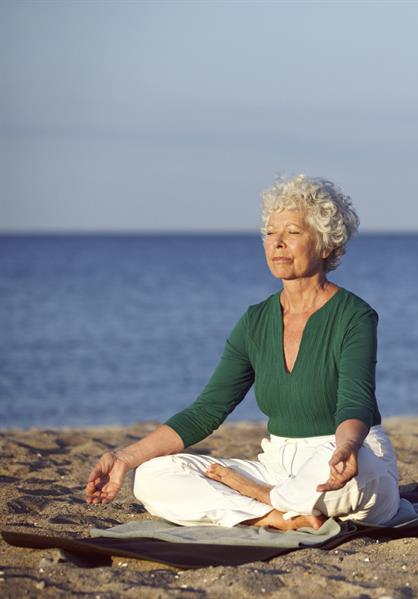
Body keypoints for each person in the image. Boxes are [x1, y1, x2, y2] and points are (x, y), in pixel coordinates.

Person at [84, 174, 400, 531]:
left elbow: (355, 402)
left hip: (344, 454)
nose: (277, 243)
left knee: (366, 473)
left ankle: (263, 498)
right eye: (270, 233)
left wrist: (345, 448)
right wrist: (123, 458)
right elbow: (207, 411)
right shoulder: (254, 321)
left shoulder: (354, 316)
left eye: (293, 232)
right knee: (153, 475)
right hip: (279, 466)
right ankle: (277, 515)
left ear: (327, 245)